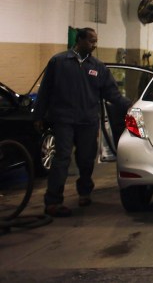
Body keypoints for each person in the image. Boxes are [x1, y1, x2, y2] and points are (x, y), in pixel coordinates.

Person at [32, 27, 131, 218]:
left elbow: (112, 94)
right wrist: (38, 115)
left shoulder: (98, 67)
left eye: (96, 41)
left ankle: (84, 191)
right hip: (63, 119)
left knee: (86, 159)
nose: (94, 45)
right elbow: (45, 90)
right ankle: (53, 201)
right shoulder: (59, 62)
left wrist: (130, 105)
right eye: (91, 41)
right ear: (79, 40)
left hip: (88, 120)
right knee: (61, 158)